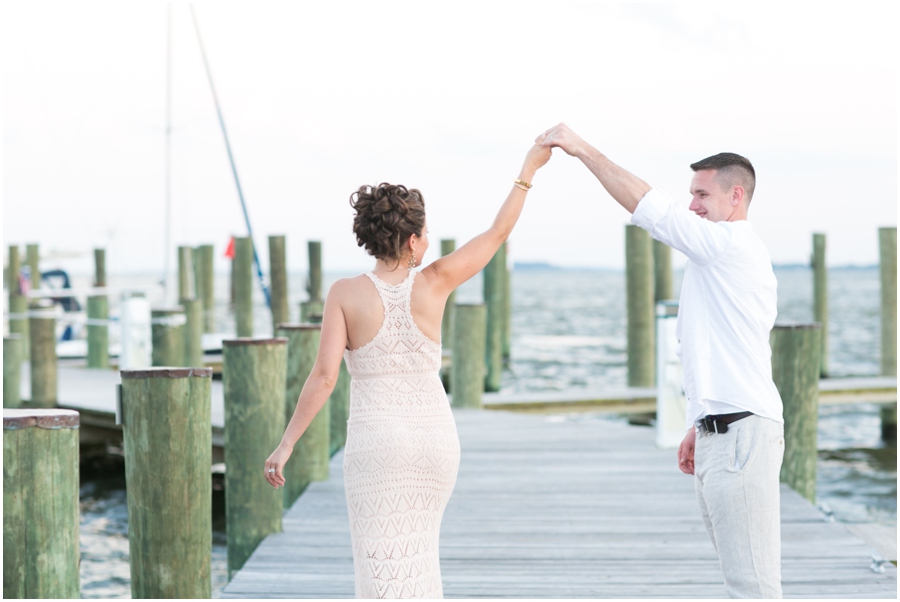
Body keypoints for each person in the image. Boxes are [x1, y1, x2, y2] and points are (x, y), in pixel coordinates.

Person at [265, 141, 552, 598]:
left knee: (380, 572)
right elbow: (498, 233)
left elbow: (324, 378)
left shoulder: (344, 293)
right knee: (419, 564)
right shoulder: (436, 280)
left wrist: (286, 445)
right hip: (435, 441)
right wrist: (528, 170)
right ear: (414, 239)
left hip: (378, 442)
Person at [539, 123, 785, 599]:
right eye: (690, 194)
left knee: (753, 587)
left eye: (702, 194)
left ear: (736, 196)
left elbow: (651, 208)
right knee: (742, 582)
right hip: (723, 429)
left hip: (742, 436)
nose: (692, 204)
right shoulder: (715, 256)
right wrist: (699, 420)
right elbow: (716, 347)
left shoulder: (731, 246)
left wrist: (581, 149)